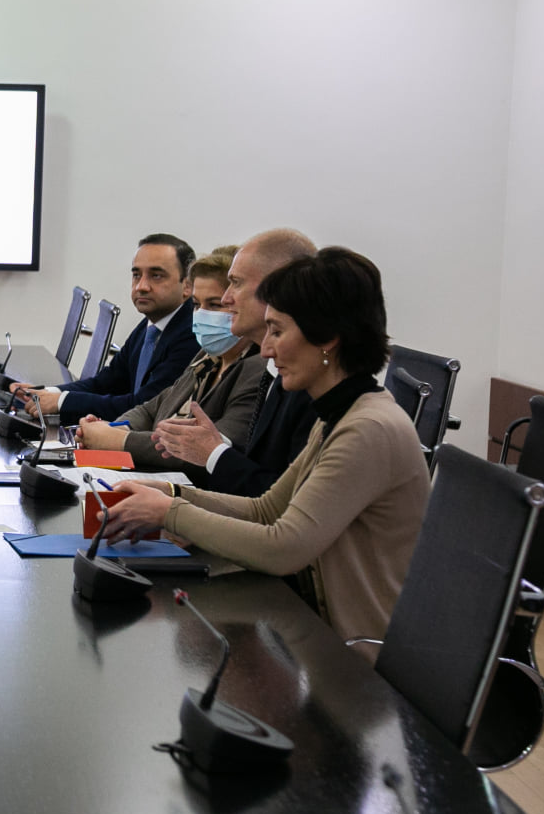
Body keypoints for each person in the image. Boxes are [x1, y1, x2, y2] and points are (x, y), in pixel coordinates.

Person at [100, 248, 430, 646]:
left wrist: (168, 512)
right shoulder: (339, 416)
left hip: (352, 657)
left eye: (277, 332)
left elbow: (284, 547)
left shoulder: (367, 429)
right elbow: (267, 509)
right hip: (309, 635)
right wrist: (169, 493)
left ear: (327, 338)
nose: (268, 350)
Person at [150, 228, 319, 494]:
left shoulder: (306, 387)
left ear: (277, 288)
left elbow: (276, 502)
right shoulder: (271, 370)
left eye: (236, 283)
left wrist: (211, 456)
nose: (228, 298)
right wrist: (174, 498)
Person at [74, 247, 268, 475]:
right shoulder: (207, 357)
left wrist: (118, 440)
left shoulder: (257, 370)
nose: (202, 314)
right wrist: (114, 428)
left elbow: (203, 451)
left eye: (215, 305)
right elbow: (151, 408)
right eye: (196, 305)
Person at [12, 233, 201, 425]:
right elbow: (105, 383)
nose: (141, 286)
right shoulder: (150, 325)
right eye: (136, 275)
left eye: (156, 276)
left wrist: (61, 401)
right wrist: (46, 393)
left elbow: (144, 406)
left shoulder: (192, 334)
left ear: (187, 286)